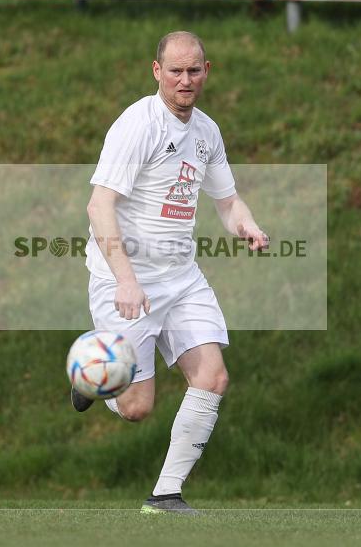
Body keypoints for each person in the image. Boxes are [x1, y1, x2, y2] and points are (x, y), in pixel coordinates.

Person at [73, 31, 268, 515]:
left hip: (181, 277)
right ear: (157, 71)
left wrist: (245, 224)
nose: (186, 80)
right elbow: (99, 206)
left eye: (194, 70)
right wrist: (124, 278)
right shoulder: (137, 126)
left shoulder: (206, 131)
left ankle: (165, 495)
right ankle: (92, 376)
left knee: (213, 377)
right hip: (127, 276)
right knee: (137, 408)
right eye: (175, 71)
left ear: (207, 71)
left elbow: (226, 200)